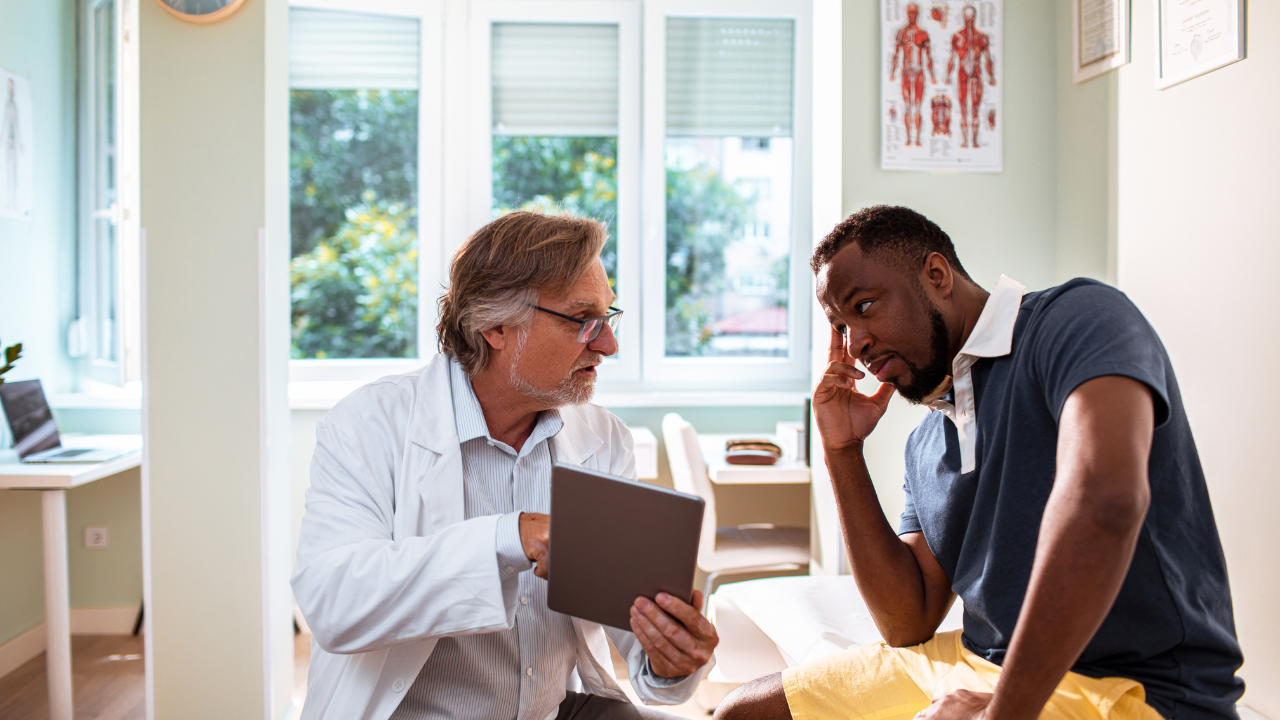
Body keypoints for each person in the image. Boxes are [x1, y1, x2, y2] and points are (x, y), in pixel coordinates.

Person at [715, 206, 1243, 720]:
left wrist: (1002, 712)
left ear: (937, 275)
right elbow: (907, 621)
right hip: (977, 661)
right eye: (839, 325)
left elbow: (1105, 501)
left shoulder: (1077, 319)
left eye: (865, 306)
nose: (855, 345)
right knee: (740, 712)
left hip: (1132, 688)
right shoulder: (926, 442)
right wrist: (841, 451)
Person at [291, 211, 718, 720]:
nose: (608, 344)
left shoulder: (602, 440)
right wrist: (508, 538)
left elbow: (631, 625)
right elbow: (333, 604)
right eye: (584, 320)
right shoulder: (368, 424)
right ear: (494, 324)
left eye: (609, 317)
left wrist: (672, 658)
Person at [890, 3, 935, 148]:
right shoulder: (901, 33)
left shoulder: (923, 34)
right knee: (907, 106)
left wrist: (932, 75)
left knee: (918, 107)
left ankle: (917, 138)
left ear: (918, 14)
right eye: (909, 12)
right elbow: (896, 54)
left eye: (914, 12)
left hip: (919, 72)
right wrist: (892, 72)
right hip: (906, 72)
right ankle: (908, 138)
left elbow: (928, 57)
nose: (911, 15)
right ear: (906, 13)